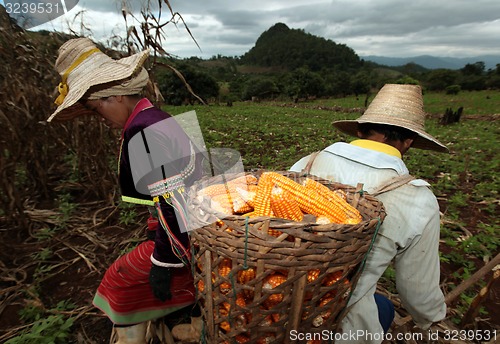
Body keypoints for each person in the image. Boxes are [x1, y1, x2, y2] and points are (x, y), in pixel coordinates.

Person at [47, 37, 204, 343]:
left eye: (96, 109)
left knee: (116, 282)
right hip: (196, 224)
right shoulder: (156, 116)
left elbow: (174, 201)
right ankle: (192, 320)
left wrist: (162, 262)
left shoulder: (141, 129)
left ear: (116, 96)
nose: (100, 119)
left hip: (187, 235)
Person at [290, 84, 448, 343]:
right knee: (382, 307)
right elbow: (416, 290)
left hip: (277, 303)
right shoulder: (418, 199)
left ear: (360, 130)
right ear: (409, 142)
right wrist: (432, 318)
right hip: (341, 325)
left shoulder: (307, 163)